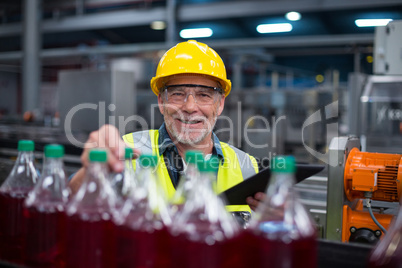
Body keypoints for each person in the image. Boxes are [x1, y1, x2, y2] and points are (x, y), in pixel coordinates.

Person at [69, 40, 266, 221]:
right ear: (161, 102)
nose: (189, 107)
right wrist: (90, 172)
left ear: (220, 104)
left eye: (204, 95)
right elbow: (70, 201)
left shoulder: (247, 167)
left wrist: (272, 219)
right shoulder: (127, 151)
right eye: (178, 94)